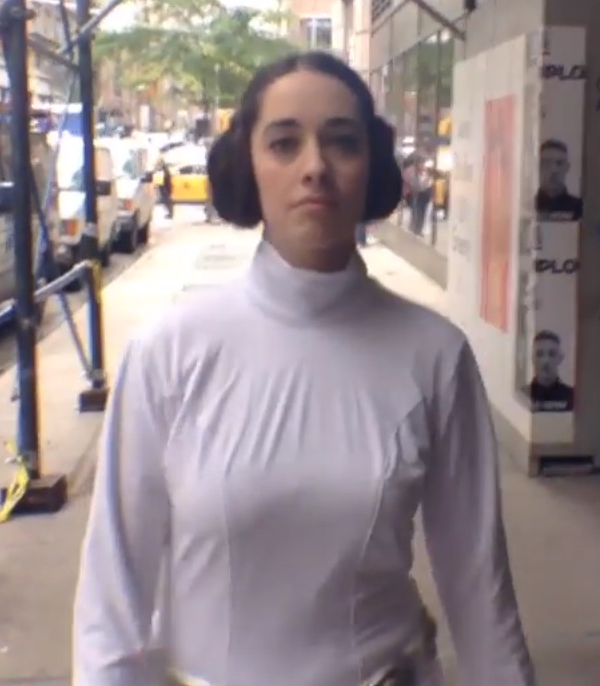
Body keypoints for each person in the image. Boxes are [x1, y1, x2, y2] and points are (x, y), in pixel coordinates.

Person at [72, 51, 534, 686]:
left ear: (372, 165)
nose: (315, 166)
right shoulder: (169, 354)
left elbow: (479, 586)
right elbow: (112, 594)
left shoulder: (434, 355)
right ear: (248, 165)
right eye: (284, 143)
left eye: (341, 142)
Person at [524, 329, 574, 412]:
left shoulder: (573, 397)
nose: (546, 360)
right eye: (540, 354)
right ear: (532, 359)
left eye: (552, 354)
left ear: (560, 358)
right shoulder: (521, 397)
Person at [535, 138, 583, 221]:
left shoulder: (580, 208)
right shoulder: (527, 207)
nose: (554, 170)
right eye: (547, 163)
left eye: (559, 163)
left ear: (567, 168)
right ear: (538, 166)